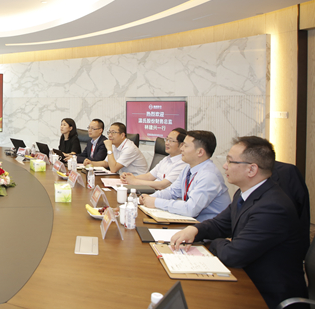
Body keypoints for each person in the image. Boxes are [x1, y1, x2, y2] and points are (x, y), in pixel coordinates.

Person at [170, 137, 308, 309]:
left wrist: (217, 243)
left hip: (266, 295)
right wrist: (194, 230)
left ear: (252, 169)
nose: (225, 166)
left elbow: (233, 255)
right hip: (245, 278)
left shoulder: (273, 207)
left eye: (230, 161)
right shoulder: (246, 193)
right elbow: (220, 224)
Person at [139, 130, 230, 221]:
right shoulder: (188, 168)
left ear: (200, 152)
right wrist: (149, 198)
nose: (181, 149)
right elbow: (172, 191)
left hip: (208, 227)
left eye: (185, 146)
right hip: (192, 222)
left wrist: (156, 202)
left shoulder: (209, 176)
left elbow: (190, 209)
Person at [120, 128, 187, 189]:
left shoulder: (182, 164)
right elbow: (149, 176)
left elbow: (162, 185)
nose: (166, 143)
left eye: (171, 141)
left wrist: (135, 181)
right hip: (154, 192)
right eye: (167, 139)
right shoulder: (166, 159)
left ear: (181, 145)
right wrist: (128, 178)